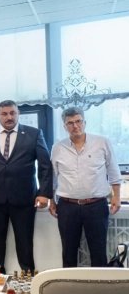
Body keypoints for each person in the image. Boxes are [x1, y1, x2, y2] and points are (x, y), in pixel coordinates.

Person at [0, 100, 53, 272]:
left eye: (12, 113)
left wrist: (43, 193)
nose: (9, 117)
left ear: (18, 114)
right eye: (4, 114)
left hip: (24, 199)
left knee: (25, 242)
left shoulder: (34, 134)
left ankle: (28, 279)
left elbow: (45, 166)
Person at [49, 107, 122, 267]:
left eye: (78, 121)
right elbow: (53, 177)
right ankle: (69, 282)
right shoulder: (58, 148)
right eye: (70, 123)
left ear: (85, 122)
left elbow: (113, 171)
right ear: (65, 126)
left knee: (98, 251)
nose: (75, 126)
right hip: (67, 206)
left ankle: (99, 283)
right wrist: (52, 201)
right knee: (68, 251)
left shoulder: (102, 143)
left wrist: (116, 196)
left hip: (96, 205)